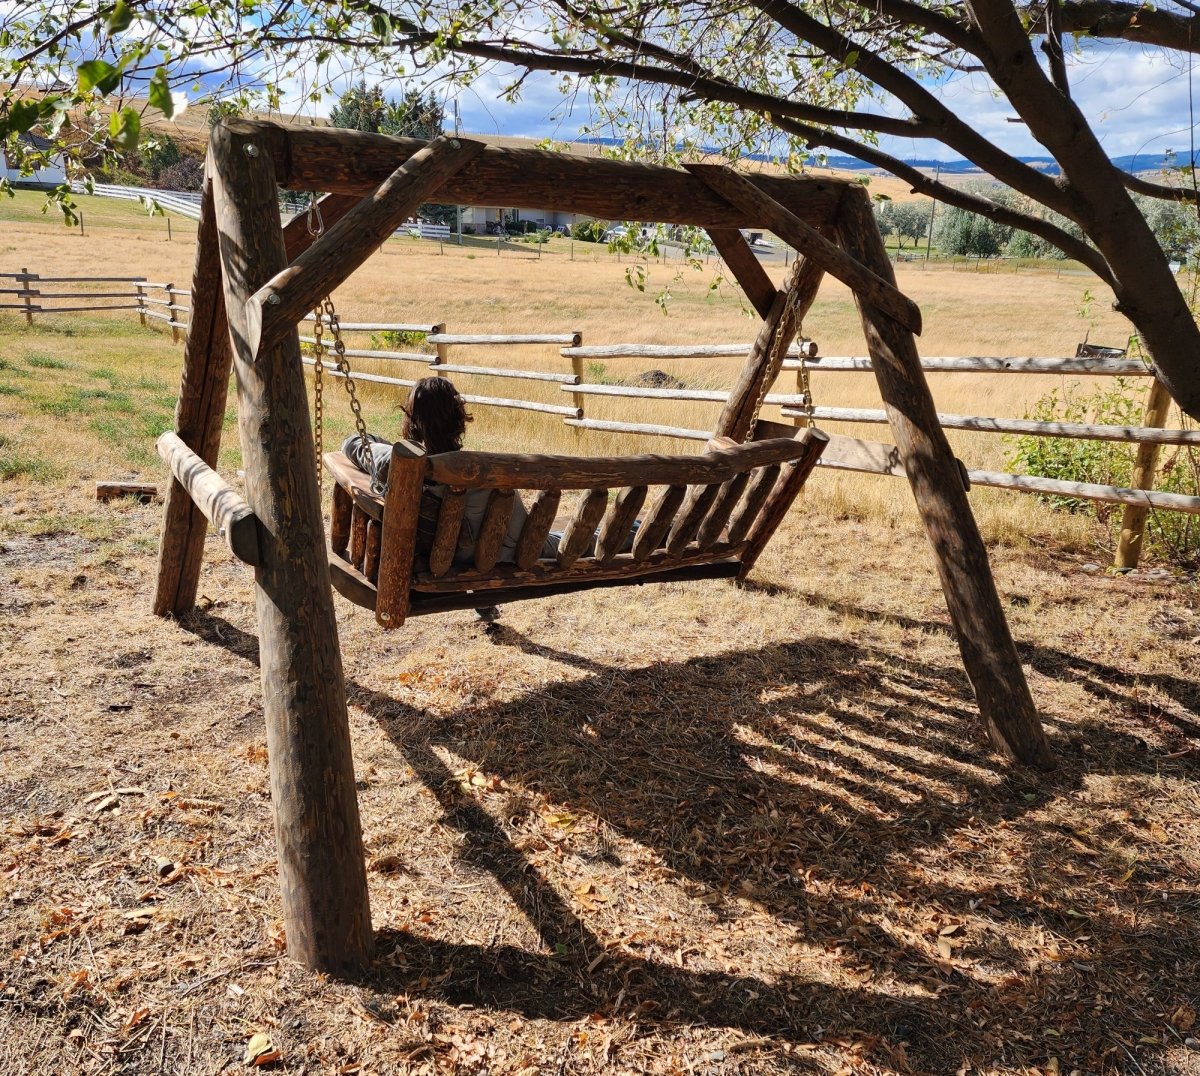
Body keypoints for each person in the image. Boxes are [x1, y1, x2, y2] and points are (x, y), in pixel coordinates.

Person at [341, 377, 560, 568]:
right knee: (574, 539)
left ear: (412, 422)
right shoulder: (488, 471)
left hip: (450, 561)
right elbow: (522, 537)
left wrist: (392, 447)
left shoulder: (399, 466)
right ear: (459, 418)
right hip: (507, 558)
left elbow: (352, 442)